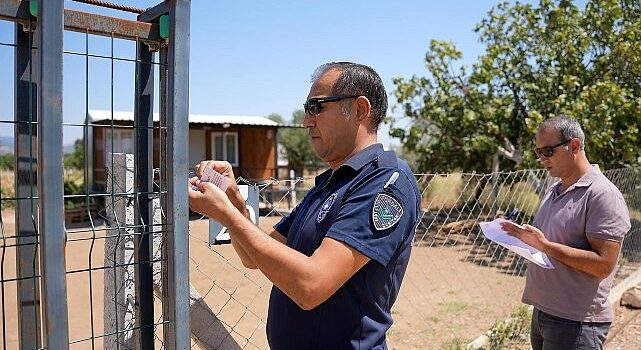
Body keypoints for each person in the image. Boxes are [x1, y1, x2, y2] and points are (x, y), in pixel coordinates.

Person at [188, 62, 420, 349]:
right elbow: (253, 257)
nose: (307, 121)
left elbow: (311, 286)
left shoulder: (386, 181)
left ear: (360, 109)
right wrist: (234, 200)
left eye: (316, 107)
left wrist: (225, 215)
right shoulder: (329, 184)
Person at [501, 115, 631, 350]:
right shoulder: (554, 189)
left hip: (576, 322)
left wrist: (545, 246)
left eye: (548, 151)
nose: (541, 159)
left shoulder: (603, 195)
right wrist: (517, 236)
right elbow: (549, 242)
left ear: (573, 146)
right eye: (538, 152)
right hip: (543, 313)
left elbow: (604, 265)